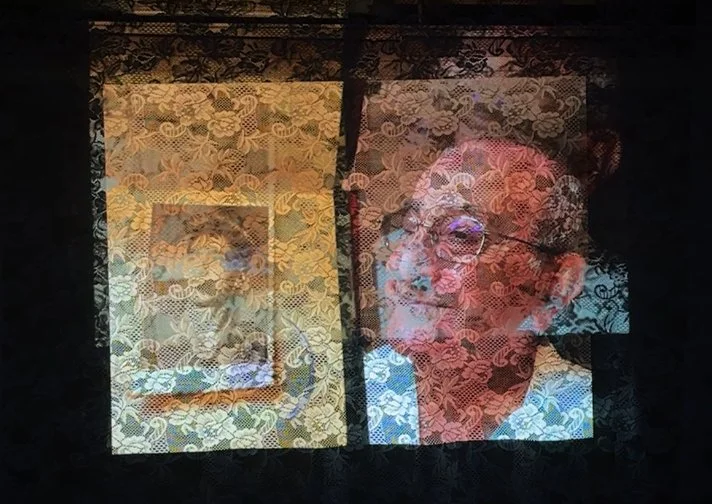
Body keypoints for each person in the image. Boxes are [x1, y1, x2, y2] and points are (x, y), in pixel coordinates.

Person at [362, 138, 627, 444]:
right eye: (410, 226)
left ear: (557, 284)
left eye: (460, 235)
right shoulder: (351, 392)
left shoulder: (589, 416)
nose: (402, 262)